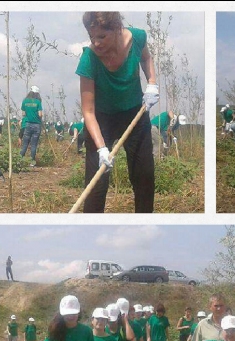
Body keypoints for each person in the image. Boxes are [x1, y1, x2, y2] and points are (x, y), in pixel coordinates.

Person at [76, 11, 158, 213]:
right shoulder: (89, 59)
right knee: (96, 182)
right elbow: (88, 112)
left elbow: (146, 58)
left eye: (101, 37)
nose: (96, 43)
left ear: (117, 29)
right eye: (92, 37)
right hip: (101, 120)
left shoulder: (137, 38)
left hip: (134, 115)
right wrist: (102, 148)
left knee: (144, 176)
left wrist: (152, 84)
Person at [20, 86, 43, 166]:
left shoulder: (25, 101)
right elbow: (40, 114)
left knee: (25, 144)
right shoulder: (38, 102)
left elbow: (23, 113)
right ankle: (32, 162)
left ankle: (19, 160)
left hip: (28, 124)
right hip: (36, 125)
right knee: (33, 145)